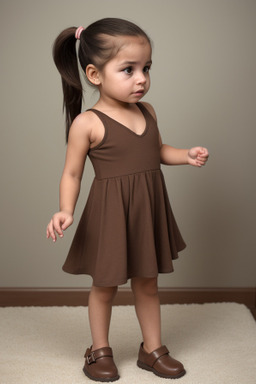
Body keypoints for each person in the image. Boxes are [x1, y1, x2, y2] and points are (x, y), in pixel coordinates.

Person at [46, 18, 209, 382]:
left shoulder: (147, 111)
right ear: (94, 74)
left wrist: (186, 154)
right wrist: (65, 210)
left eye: (146, 69)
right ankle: (99, 351)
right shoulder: (87, 123)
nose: (142, 79)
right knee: (104, 285)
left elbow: (156, 150)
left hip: (147, 210)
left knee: (147, 282)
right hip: (110, 214)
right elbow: (72, 173)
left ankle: (152, 349)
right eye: (129, 69)